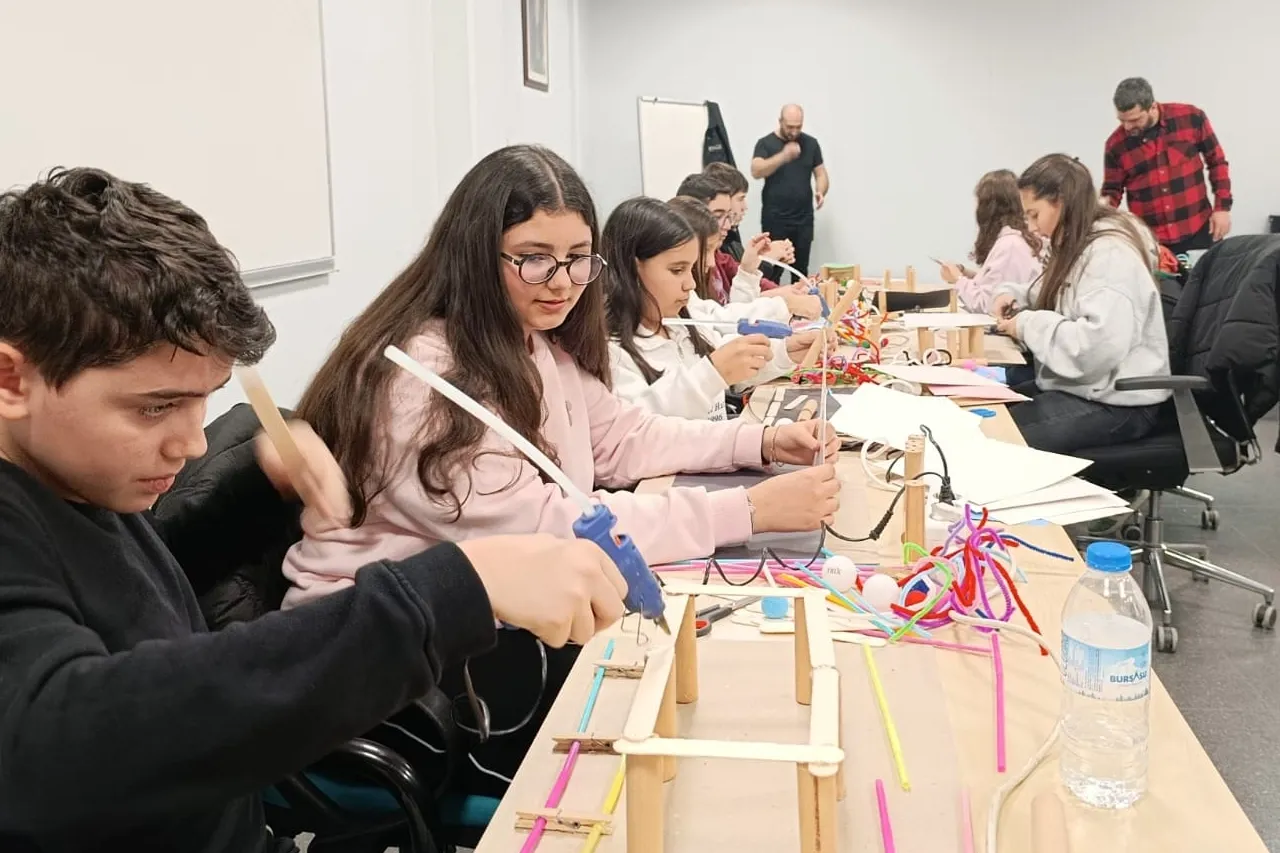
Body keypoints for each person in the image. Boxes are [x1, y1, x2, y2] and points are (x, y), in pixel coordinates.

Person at [0, 167, 629, 852]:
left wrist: (257, 493)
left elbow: (134, 593)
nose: (191, 442)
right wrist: (448, 590)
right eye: (155, 407)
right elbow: (57, 743)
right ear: (12, 378)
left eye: (202, 400)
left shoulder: (79, 477)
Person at [284, 145, 841, 606]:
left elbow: (622, 436)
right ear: (477, 255)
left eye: (578, 257)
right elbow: (546, 528)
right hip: (383, 652)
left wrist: (761, 441)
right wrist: (747, 511)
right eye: (534, 258)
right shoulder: (428, 380)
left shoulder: (532, 341)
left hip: (471, 620)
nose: (562, 282)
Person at [992, 155, 1170, 455]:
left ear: (1061, 202)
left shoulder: (1110, 255)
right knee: (985, 417)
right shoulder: (1082, 245)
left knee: (994, 440)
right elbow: (1056, 293)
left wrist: (1026, 324)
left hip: (1118, 404)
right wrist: (1013, 295)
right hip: (1089, 389)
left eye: (1035, 215)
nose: (1032, 227)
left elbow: (1094, 348)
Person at [603, 197, 819, 420]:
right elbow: (641, 426)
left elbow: (731, 363)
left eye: (691, 269)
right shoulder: (612, 354)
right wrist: (712, 373)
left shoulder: (681, 324)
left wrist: (786, 351)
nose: (691, 284)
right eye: (677, 270)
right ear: (631, 270)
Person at [1102, 77, 1233, 256]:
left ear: (1152, 107)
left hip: (1198, 228)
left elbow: (1216, 161)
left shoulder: (1191, 118)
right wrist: (1098, 214)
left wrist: (1222, 208)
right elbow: (1112, 190)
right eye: (1122, 120)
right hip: (1152, 241)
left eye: (1135, 120)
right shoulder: (1115, 145)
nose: (1127, 126)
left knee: (1209, 274)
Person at [666, 196, 817, 323]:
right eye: (718, 216)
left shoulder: (723, 258)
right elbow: (718, 321)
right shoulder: (683, 289)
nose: (711, 263)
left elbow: (733, 317)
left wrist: (748, 269)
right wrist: (783, 304)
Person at [938, 169, 1045, 314]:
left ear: (988, 208)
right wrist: (965, 273)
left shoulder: (1010, 246)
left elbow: (987, 304)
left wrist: (957, 279)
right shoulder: (1014, 240)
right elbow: (994, 284)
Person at [751, 104, 829, 280]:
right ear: (780, 122)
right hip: (775, 219)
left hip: (803, 219)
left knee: (800, 270)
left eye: (798, 127)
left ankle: (799, 298)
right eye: (790, 127)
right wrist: (783, 156)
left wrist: (820, 191)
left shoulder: (811, 143)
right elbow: (756, 170)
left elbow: (821, 173)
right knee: (772, 270)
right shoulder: (765, 143)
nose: (794, 132)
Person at [702, 162, 796, 272]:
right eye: (740, 199)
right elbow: (737, 280)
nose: (745, 207)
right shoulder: (719, 242)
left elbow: (753, 279)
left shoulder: (732, 238)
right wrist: (767, 260)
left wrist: (770, 259)